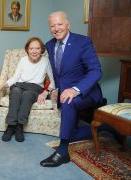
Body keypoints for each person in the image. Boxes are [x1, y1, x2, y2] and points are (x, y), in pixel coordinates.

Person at [40, 11, 106, 167]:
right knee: (70, 132)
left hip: (86, 92)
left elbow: (96, 70)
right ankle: (105, 127)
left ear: (68, 25)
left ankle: (62, 152)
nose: (56, 28)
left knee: (69, 102)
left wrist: (75, 89)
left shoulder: (83, 42)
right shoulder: (49, 45)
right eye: (52, 26)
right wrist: (55, 89)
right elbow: (58, 74)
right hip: (64, 92)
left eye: (60, 24)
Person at [0, 37, 55, 142]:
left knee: (27, 95)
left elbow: (53, 80)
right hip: (20, 85)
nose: (34, 51)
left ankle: (20, 126)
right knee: (15, 92)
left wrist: (45, 92)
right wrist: (1, 85)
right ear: (27, 50)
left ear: (41, 50)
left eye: (37, 48)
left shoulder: (45, 61)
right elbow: (15, 78)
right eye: (31, 48)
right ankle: (11, 126)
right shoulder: (23, 60)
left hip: (35, 88)